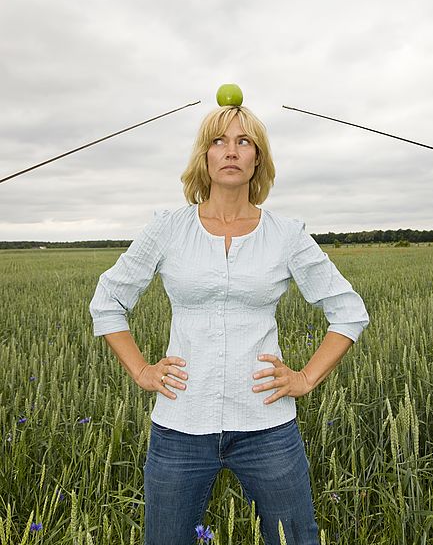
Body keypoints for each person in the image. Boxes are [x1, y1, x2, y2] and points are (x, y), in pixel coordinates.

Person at [89, 103, 369, 545]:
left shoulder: (286, 234)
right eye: (218, 141)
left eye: (244, 142)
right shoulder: (167, 229)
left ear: (258, 157)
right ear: (204, 157)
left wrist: (305, 377)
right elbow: (107, 301)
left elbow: (349, 311)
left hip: (268, 426)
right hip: (181, 424)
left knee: (295, 538)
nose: (231, 151)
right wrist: (142, 371)